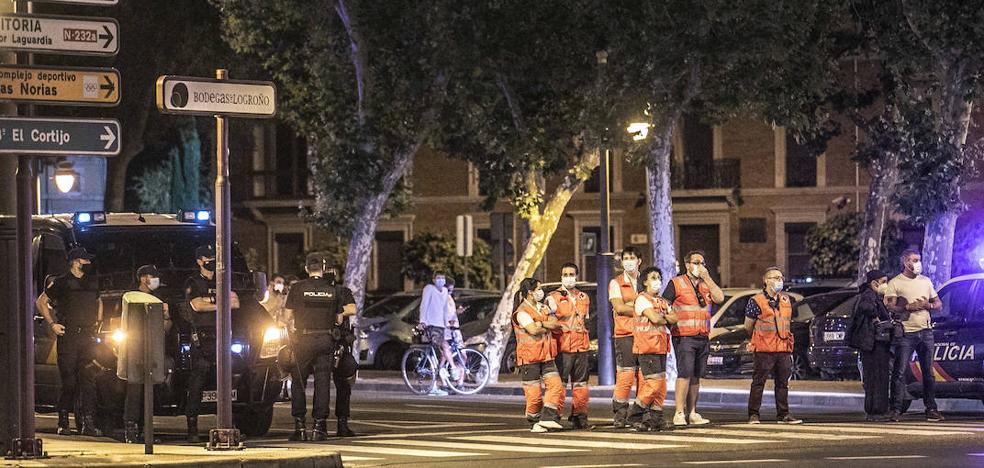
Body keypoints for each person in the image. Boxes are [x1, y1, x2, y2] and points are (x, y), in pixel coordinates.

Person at [283, 253, 357, 441]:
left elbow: (286, 317)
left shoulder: (297, 288)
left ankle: (300, 427)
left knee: (298, 383)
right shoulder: (333, 290)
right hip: (326, 339)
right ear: (323, 269)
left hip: (303, 339)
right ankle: (319, 427)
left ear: (307, 268)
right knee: (322, 383)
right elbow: (340, 317)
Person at [35, 246, 104, 437]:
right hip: (69, 336)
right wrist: (52, 324)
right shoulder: (62, 282)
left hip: (87, 336)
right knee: (70, 381)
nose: (89, 264)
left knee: (88, 379)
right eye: (85, 261)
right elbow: (41, 301)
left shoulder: (92, 281)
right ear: (75, 262)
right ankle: (63, 420)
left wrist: (98, 321)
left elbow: (99, 301)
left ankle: (88, 422)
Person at [182, 245, 241, 443]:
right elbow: (196, 306)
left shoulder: (222, 279)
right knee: (197, 383)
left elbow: (236, 302)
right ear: (199, 261)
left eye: (214, 257)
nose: (211, 261)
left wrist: (212, 302)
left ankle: (228, 425)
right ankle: (192, 427)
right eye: (208, 258)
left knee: (227, 383)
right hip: (202, 339)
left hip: (222, 337)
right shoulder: (193, 282)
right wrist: (221, 302)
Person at [662, 250, 724, 426]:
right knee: (685, 373)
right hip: (684, 336)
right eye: (696, 263)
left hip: (702, 335)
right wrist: (671, 322)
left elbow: (719, 297)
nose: (699, 266)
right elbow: (664, 304)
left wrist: (708, 278)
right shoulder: (677, 283)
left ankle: (693, 412)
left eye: (702, 263)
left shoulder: (706, 284)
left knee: (697, 375)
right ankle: (679, 412)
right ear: (687, 265)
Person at [885, 249, 944, 422]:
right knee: (900, 371)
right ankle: (895, 409)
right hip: (906, 332)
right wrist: (906, 308)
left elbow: (938, 302)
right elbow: (889, 306)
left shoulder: (925, 281)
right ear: (905, 262)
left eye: (919, 260)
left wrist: (928, 305)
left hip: (926, 331)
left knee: (928, 373)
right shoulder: (895, 283)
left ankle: (931, 408)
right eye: (914, 260)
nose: (917, 263)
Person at [744, 267, 802, 425]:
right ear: (766, 281)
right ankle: (754, 414)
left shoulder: (785, 300)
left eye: (781, 278)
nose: (780, 281)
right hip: (764, 349)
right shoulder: (756, 301)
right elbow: (748, 326)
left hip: (783, 348)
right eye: (776, 278)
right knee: (758, 382)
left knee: (783, 383)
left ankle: (783, 414)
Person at [122, 265, 173, 443]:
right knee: (135, 389)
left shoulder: (159, 300)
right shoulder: (131, 298)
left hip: (154, 351)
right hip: (135, 350)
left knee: (150, 391)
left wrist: (166, 316)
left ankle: (146, 431)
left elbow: (166, 330)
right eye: (153, 276)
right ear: (143, 278)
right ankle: (131, 429)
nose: (156, 280)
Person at [627, 267, 676, 432]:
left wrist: (664, 318)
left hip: (660, 347)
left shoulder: (661, 301)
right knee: (653, 384)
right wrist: (664, 318)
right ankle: (636, 414)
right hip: (647, 347)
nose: (657, 281)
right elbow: (655, 318)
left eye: (659, 277)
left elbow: (674, 317)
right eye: (653, 277)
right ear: (645, 282)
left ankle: (656, 418)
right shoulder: (642, 299)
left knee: (661, 385)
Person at [512, 278, 564, 432]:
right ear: (530, 292)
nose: (541, 292)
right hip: (530, 357)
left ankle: (547, 418)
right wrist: (543, 324)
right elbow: (532, 331)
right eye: (538, 289)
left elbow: (555, 324)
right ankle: (534, 421)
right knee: (534, 395)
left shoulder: (543, 307)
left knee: (556, 386)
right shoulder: (521, 312)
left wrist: (540, 323)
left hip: (547, 355)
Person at [546, 263, 591, 429]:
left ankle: (580, 416)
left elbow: (584, 319)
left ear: (576, 276)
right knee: (561, 384)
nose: (568, 277)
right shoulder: (553, 297)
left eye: (571, 274)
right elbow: (549, 321)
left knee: (581, 384)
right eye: (565, 274)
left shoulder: (583, 297)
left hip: (581, 346)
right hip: (563, 346)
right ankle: (555, 416)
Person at [848, 269, 893, 422]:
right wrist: (877, 316)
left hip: (873, 343)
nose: (885, 285)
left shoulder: (873, 296)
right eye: (883, 282)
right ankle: (876, 411)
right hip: (873, 343)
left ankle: (876, 411)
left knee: (876, 377)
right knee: (876, 378)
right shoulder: (869, 295)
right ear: (874, 283)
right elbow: (865, 308)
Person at [609, 247, 642, 428]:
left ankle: (639, 414)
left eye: (632, 257)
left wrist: (632, 305)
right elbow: (620, 308)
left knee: (644, 377)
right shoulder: (616, 283)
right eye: (626, 258)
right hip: (625, 335)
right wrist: (643, 309)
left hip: (644, 335)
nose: (629, 261)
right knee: (625, 376)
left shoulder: (645, 281)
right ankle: (620, 415)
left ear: (639, 261)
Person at [418, 271, 459, 396]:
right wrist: (422, 321)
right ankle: (453, 369)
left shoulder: (445, 292)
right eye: (438, 278)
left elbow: (445, 308)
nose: (441, 280)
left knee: (441, 354)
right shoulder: (429, 289)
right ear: (434, 279)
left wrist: (449, 320)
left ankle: (440, 376)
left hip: (441, 325)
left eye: (443, 278)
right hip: (431, 325)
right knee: (444, 346)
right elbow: (424, 305)